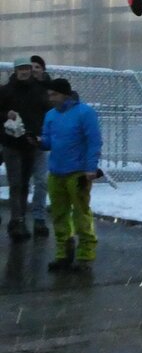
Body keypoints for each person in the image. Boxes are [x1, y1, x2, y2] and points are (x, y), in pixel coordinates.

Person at [40, 78, 102, 273]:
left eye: (54, 95)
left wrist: (90, 168)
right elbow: (48, 141)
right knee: (59, 214)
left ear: (65, 94)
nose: (51, 98)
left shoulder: (85, 113)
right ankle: (63, 253)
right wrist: (38, 141)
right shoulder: (51, 115)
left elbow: (94, 141)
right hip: (57, 171)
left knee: (81, 213)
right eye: (49, 95)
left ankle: (85, 255)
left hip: (78, 173)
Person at [0, 57, 52, 240]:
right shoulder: (6, 91)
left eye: (26, 68)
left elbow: (50, 108)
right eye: (20, 68)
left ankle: (21, 218)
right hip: (11, 143)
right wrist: (6, 114)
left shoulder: (39, 91)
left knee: (25, 183)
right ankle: (17, 220)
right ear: (15, 70)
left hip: (31, 143)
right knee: (15, 183)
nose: (24, 71)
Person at [26, 55, 51, 236]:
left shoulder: (50, 90)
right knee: (20, 182)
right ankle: (17, 217)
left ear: (43, 69)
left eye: (37, 66)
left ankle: (39, 217)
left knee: (41, 181)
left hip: (41, 141)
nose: (34, 69)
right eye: (31, 66)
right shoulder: (21, 88)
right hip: (21, 141)